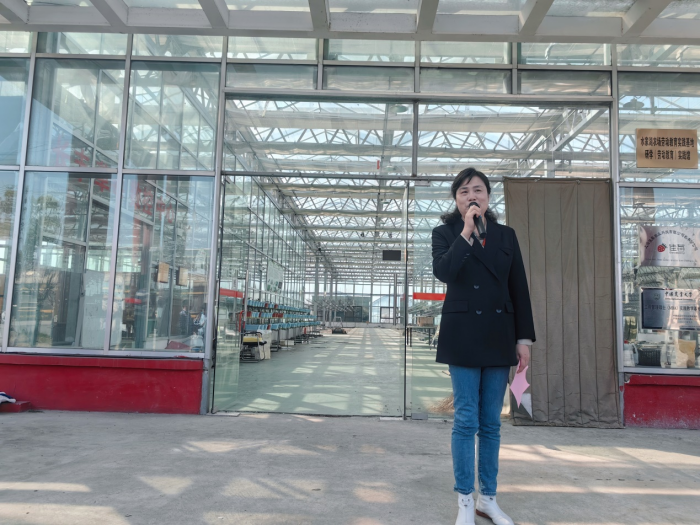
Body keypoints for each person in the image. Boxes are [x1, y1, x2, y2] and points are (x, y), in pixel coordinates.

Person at [432, 167, 535, 525]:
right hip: (462, 335)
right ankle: (464, 500)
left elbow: (518, 288)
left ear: (489, 197)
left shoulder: (506, 235)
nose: (471, 195)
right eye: (464, 191)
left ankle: (487, 499)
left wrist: (523, 339)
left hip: (498, 334)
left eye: (478, 190)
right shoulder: (445, 234)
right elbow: (444, 272)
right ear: (456, 200)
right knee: (465, 420)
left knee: (491, 422)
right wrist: (466, 232)